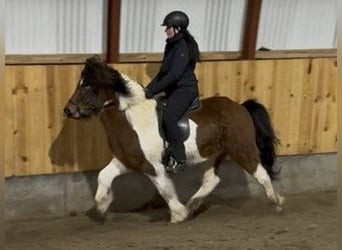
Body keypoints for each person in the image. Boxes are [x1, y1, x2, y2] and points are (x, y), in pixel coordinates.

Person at [144, 10, 200, 173]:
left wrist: (153, 90)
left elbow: (174, 75)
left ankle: (180, 158)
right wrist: (147, 89)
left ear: (178, 28)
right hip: (174, 90)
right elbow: (163, 73)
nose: (165, 30)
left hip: (185, 90)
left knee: (169, 115)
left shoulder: (182, 48)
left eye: (168, 27)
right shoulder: (172, 46)